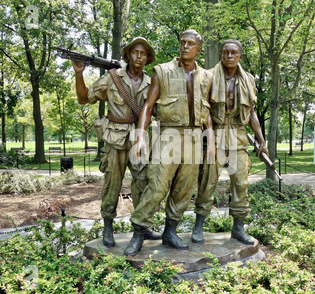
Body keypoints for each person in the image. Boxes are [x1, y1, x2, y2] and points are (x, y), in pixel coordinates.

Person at [124, 30, 215, 256]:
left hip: (194, 139)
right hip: (169, 136)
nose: (185, 47)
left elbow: (207, 110)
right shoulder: (162, 71)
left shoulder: (206, 77)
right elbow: (148, 105)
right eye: (182, 42)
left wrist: (210, 137)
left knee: (184, 189)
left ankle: (170, 231)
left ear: (198, 49)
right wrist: (139, 136)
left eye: (190, 44)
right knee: (157, 186)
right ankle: (138, 232)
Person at [72, 37, 161, 248]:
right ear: (128, 55)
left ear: (147, 58)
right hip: (115, 137)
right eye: (135, 52)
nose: (139, 56)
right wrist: (79, 73)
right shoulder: (112, 78)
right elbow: (84, 98)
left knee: (142, 183)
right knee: (113, 183)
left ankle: (142, 227)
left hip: (139, 139)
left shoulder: (152, 82)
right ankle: (108, 226)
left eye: (143, 53)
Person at [192, 39, 270, 245]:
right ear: (220, 54)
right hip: (215, 135)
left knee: (241, 184)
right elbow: (204, 109)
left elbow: (252, 114)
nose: (229, 56)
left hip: (238, 136)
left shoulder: (249, 80)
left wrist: (262, 141)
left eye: (233, 53)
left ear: (240, 56)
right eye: (225, 52)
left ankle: (238, 227)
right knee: (208, 182)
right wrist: (209, 135)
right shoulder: (207, 76)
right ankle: (199, 224)